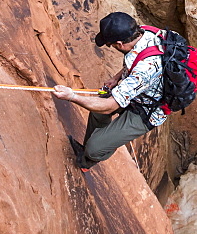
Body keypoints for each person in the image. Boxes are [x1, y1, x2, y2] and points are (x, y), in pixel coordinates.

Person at [53, 11, 169, 170]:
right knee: (97, 111)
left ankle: (89, 158)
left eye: (111, 45)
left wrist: (72, 96)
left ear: (120, 43)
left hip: (148, 110)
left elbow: (110, 105)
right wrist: (116, 78)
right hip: (141, 90)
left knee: (95, 147)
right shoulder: (143, 32)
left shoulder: (145, 69)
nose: (111, 47)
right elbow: (137, 59)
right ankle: (87, 150)